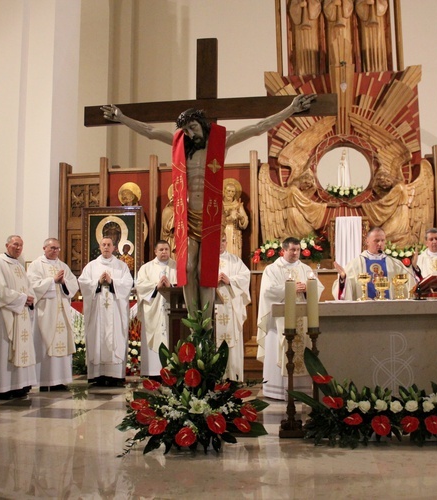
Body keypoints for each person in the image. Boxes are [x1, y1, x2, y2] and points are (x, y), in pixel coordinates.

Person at [102, 93, 315, 320]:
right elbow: (151, 132)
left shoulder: (219, 142)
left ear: (203, 124)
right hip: (188, 216)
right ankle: (195, 319)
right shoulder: (180, 145)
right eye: (186, 130)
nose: (190, 134)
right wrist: (122, 118)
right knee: (187, 268)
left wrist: (290, 109)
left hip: (211, 215)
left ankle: (206, 320)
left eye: (193, 127)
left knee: (205, 271)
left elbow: (258, 127)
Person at [257, 236, 324, 400]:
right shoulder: (272, 269)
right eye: (292, 250)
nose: (295, 253)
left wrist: (308, 288)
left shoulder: (305, 269)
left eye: (298, 250)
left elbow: (318, 287)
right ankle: (278, 391)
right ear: (284, 250)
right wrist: (292, 288)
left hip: (303, 318)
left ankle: (302, 391)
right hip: (279, 322)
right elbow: (268, 291)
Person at [78, 236, 133, 387]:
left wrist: (112, 282)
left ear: (115, 248)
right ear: (100, 247)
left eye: (109, 245)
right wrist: (97, 283)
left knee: (115, 337)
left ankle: (115, 375)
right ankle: (98, 375)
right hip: (97, 311)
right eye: (104, 245)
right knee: (97, 337)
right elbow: (83, 283)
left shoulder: (121, 266)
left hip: (115, 310)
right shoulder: (91, 266)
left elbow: (128, 283)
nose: (106, 247)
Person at [0, 235, 37, 400]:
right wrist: (23, 298)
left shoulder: (19, 264)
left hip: (21, 313)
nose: (18, 248)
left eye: (21, 245)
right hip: (5, 315)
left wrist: (29, 298)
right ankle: (3, 387)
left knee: (21, 347)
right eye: (15, 244)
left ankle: (19, 385)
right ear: (7, 244)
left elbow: (28, 286)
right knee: (5, 349)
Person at [27, 238, 78, 391]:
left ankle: (60, 380)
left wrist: (63, 283)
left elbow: (73, 284)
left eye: (57, 248)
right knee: (44, 343)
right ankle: (44, 381)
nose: (55, 251)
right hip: (45, 312)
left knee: (62, 344)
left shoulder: (63, 266)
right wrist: (52, 281)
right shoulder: (36, 265)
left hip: (61, 311)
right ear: (44, 248)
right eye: (52, 248)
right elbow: (31, 285)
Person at [332, 226, 416, 300]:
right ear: (367, 241)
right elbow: (345, 290)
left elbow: (409, 284)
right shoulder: (356, 264)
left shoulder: (394, 263)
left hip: (390, 309)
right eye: (376, 240)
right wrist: (343, 278)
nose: (380, 244)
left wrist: (414, 268)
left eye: (382, 240)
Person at [135, 240, 177, 378]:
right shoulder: (146, 268)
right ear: (155, 251)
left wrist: (170, 286)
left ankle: (172, 370)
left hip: (172, 311)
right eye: (161, 249)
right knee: (153, 338)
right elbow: (140, 286)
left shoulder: (176, 267)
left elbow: (184, 285)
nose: (164, 252)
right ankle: (153, 373)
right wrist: (156, 286)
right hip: (153, 310)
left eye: (166, 249)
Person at [215, 235, 251, 381]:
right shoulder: (205, 260)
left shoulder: (235, 260)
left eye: (223, 241)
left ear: (226, 242)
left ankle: (233, 377)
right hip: (214, 310)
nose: (220, 244)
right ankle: (215, 377)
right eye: (218, 241)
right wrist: (212, 281)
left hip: (231, 309)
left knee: (232, 342)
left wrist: (231, 281)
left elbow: (245, 276)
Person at [222, 178, 249, 259]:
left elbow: (245, 221)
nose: (230, 194)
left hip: (234, 234)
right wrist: (229, 218)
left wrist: (240, 218)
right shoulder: (220, 205)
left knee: (233, 256)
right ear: (224, 191)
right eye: (228, 191)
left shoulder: (238, 205)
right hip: (222, 233)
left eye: (233, 192)